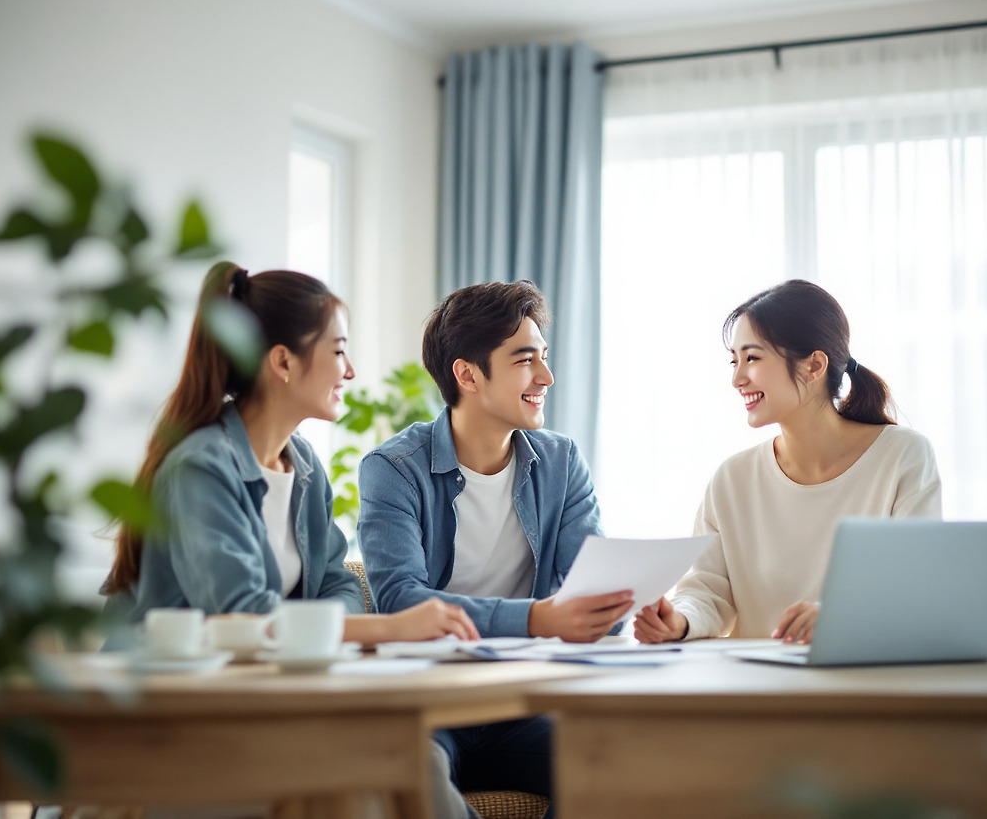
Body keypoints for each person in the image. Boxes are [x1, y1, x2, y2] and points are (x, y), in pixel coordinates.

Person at [102, 261, 479, 819]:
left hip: (260, 711)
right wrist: (393, 627)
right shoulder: (202, 466)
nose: (350, 371)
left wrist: (337, 624)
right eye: (338, 350)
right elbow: (243, 615)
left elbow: (336, 581)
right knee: (369, 775)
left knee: (413, 759)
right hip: (167, 729)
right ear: (282, 361)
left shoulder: (301, 465)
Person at [358, 279, 632, 816]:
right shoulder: (393, 469)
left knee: (621, 758)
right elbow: (400, 600)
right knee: (412, 768)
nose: (546, 377)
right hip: (429, 705)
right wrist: (539, 619)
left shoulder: (561, 462)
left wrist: (618, 604)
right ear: (467, 374)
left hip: (522, 701)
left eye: (544, 358)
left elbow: (589, 590)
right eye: (525, 360)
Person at [634, 279, 942, 645]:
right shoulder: (732, 479)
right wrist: (680, 621)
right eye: (734, 361)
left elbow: (914, 587)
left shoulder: (902, 456)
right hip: (759, 692)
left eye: (752, 358)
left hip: (863, 688)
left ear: (813, 366)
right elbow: (707, 591)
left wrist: (842, 615)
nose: (737, 378)